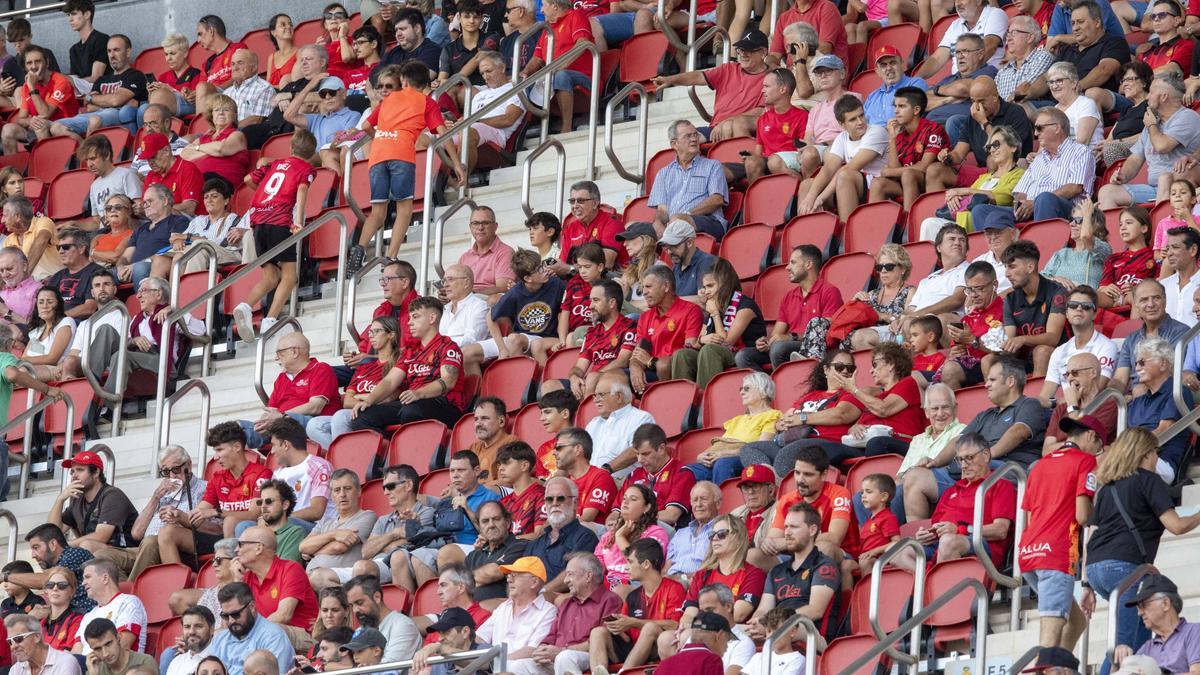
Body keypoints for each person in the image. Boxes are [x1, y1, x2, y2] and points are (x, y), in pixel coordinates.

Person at [1082, 428, 1200, 675]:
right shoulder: (1148, 480)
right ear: (1146, 453)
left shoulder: (1107, 488)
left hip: (1095, 570)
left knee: (1137, 643)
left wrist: (1085, 585)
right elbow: (1176, 526)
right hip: (1127, 569)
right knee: (1125, 646)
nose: (1157, 458)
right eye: (1156, 452)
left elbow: (1090, 537)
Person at [1020, 414, 1101, 650]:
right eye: (1098, 446)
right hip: (1057, 552)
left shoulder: (1040, 464)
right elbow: (1083, 515)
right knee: (1049, 640)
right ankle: (1047, 665)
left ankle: (1062, 666)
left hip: (1028, 552)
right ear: (1091, 436)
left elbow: (1029, 516)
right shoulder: (1086, 461)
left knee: (1076, 623)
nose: (1098, 453)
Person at [230, 130, 318, 338]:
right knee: (290, 275)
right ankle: (270, 320)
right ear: (312, 152)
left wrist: (266, 197)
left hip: (258, 222)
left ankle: (245, 305)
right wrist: (298, 221)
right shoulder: (307, 168)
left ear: (291, 147)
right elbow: (302, 190)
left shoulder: (274, 164)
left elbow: (248, 179)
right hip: (280, 222)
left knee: (271, 275)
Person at [739, 349, 865, 479]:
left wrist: (803, 418)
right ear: (826, 370)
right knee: (750, 449)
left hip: (828, 442)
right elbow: (785, 418)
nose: (845, 371)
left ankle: (777, 487)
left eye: (850, 368)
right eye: (839, 367)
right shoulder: (810, 396)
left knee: (788, 454)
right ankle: (771, 479)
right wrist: (780, 425)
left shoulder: (854, 394)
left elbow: (841, 414)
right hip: (794, 442)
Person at [791, 342, 926, 464]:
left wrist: (853, 389)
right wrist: (854, 429)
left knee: (876, 443)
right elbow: (854, 427)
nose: (871, 371)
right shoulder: (874, 395)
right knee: (822, 450)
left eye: (875, 364)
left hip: (898, 443)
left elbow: (883, 409)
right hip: (866, 445)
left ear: (891, 364)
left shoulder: (907, 383)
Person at [348, 296, 469, 431]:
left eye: (415, 317)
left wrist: (419, 393)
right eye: (410, 318)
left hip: (445, 404)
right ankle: (389, 448)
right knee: (361, 417)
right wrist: (369, 400)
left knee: (411, 411)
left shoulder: (448, 347)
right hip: (412, 403)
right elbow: (389, 382)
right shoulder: (409, 351)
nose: (409, 323)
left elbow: (448, 381)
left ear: (432, 318)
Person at [157, 422, 271, 561]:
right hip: (219, 537)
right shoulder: (217, 478)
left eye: (219, 450)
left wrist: (216, 512)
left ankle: (232, 571)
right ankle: (177, 582)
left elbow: (254, 514)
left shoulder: (261, 473)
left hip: (248, 534)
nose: (216, 457)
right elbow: (199, 514)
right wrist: (179, 515)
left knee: (230, 521)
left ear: (237, 447)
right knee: (166, 532)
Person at [395, 451, 500, 593]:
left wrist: (467, 509)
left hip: (476, 547)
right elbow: (436, 532)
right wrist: (416, 521)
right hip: (446, 544)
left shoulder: (490, 497)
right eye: (452, 471)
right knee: (411, 557)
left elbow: (493, 534)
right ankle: (425, 608)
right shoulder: (446, 501)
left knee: (446, 552)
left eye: (461, 470)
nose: (455, 475)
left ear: (476, 471)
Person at [1100, 75, 1200, 209]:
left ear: (1164, 97)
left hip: (1178, 187)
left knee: (1164, 179)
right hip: (1152, 189)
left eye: (1152, 92)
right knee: (1107, 192)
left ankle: (1164, 226)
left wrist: (1152, 125)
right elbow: (1135, 159)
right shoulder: (1152, 124)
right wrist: (1122, 175)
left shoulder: (1187, 117)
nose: (1147, 97)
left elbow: (1162, 146)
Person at [736, 245, 843, 370]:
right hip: (790, 345)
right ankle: (768, 388)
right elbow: (777, 334)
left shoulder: (829, 291)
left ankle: (786, 385)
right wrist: (766, 342)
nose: (787, 267)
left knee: (779, 348)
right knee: (743, 356)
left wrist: (791, 337)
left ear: (808, 265)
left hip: (816, 347)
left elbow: (827, 333)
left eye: (793, 262)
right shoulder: (788, 297)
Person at [652, 30, 769, 143]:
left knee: (732, 127)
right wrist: (670, 80)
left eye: (749, 50)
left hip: (741, 127)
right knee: (682, 139)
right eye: (741, 49)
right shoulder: (729, 69)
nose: (743, 54)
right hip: (715, 129)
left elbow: (761, 111)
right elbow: (698, 76)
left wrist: (728, 121)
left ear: (763, 52)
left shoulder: (771, 77)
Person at [234, 331, 339, 448]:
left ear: (294, 352)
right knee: (234, 431)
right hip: (280, 425)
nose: (275, 358)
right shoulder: (281, 378)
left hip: (311, 423)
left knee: (280, 423)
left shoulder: (320, 369)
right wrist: (264, 422)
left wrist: (282, 416)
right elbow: (271, 411)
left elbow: (315, 407)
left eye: (279, 353)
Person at [750, 502, 840, 639]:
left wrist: (773, 624)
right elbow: (763, 609)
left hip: (810, 635)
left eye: (794, 527)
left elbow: (815, 610)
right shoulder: (776, 571)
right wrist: (757, 623)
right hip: (775, 629)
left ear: (812, 530)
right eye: (786, 527)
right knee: (736, 634)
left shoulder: (824, 565)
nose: (787, 532)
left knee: (780, 632)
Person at [925, 79, 1033, 192]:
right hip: (983, 174)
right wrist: (948, 157)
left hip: (1011, 171)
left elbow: (1005, 149)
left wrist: (984, 122)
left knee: (992, 160)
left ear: (995, 97)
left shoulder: (1015, 113)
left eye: (981, 101)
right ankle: (941, 209)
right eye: (973, 101)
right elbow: (959, 154)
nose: (977, 107)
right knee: (934, 170)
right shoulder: (972, 118)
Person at [117, 445, 207, 580]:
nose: (171, 476)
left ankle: (132, 592)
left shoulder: (204, 488)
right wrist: (155, 497)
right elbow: (136, 534)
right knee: (103, 556)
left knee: (150, 542)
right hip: (143, 550)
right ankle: (126, 591)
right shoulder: (162, 494)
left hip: (169, 547)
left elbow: (207, 527)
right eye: (166, 472)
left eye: (176, 469)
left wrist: (179, 518)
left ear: (188, 465)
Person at [796, 94, 889, 222]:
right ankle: (807, 233)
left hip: (875, 186)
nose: (860, 122)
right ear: (842, 124)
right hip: (850, 185)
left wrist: (821, 198)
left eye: (861, 115)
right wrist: (810, 198)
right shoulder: (842, 137)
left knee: (845, 175)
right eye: (853, 119)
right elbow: (828, 169)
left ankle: (847, 231)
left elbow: (851, 167)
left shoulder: (877, 132)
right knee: (807, 185)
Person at [672, 259, 765, 387]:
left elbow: (726, 342)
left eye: (710, 286)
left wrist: (715, 314)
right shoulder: (714, 305)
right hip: (715, 353)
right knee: (682, 354)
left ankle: (706, 399)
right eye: (704, 287)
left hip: (741, 354)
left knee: (710, 350)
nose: (706, 291)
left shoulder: (746, 306)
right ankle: (684, 401)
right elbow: (697, 343)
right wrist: (704, 339)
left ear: (725, 284)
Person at [530, 553, 621, 675]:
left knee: (565, 657)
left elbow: (602, 640)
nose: (565, 580)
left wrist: (561, 650)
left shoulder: (610, 600)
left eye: (570, 574)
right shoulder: (566, 603)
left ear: (588, 576)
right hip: (557, 657)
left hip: (589, 656)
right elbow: (551, 636)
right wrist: (542, 649)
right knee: (519, 665)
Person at [542, 280, 635, 399]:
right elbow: (580, 366)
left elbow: (623, 361)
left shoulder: (629, 326)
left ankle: (585, 414)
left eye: (596, 300)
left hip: (616, 381)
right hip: (591, 381)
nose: (590, 306)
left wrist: (595, 376)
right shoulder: (591, 332)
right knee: (549, 386)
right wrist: (574, 377)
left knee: (591, 379)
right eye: (590, 301)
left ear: (612, 303)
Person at [683, 373, 780, 485]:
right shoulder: (737, 420)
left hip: (743, 459)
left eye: (746, 388)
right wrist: (701, 457)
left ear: (763, 392)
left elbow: (760, 448)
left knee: (723, 464)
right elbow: (723, 445)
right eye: (741, 389)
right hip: (720, 460)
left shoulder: (772, 415)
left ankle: (722, 501)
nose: (741, 392)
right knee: (687, 471)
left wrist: (724, 454)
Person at [238, 525, 318, 651]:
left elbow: (283, 616)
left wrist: (248, 635)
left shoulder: (290, 569)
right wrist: (235, 581)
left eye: (241, 544)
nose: (237, 550)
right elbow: (235, 617)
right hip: (263, 636)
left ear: (258, 547)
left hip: (303, 638)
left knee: (273, 631)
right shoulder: (247, 578)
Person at [50, 35, 146, 141]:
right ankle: (83, 149)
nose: (112, 55)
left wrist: (92, 99)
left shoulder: (135, 75)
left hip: (111, 116)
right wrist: (110, 103)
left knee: (94, 120)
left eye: (116, 50)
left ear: (128, 52)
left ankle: (88, 153)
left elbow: (115, 100)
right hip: (94, 114)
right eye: (109, 51)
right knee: (56, 127)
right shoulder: (101, 79)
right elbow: (90, 107)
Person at [646, 120, 729, 239]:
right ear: (674, 144)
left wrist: (686, 215)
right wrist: (658, 222)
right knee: (635, 229)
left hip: (709, 221)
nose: (694, 139)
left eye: (695, 134)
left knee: (677, 220)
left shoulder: (713, 166)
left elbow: (717, 200)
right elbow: (663, 210)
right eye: (688, 136)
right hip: (673, 225)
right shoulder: (663, 173)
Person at [475, 556, 557, 675]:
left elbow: (533, 650)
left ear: (534, 582)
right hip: (497, 667)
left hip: (525, 667)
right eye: (509, 576)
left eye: (515, 575)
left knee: (515, 666)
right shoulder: (503, 607)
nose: (509, 580)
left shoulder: (548, 611)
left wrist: (497, 663)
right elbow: (480, 638)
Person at [998, 239, 1068, 377]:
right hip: (1025, 359)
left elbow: (1053, 338)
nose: (1006, 273)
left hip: (1059, 356)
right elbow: (1010, 338)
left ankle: (1039, 398)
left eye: (1012, 267)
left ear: (1030, 267)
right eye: (1006, 267)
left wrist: (1023, 339)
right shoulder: (1010, 299)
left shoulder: (1057, 292)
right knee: (990, 361)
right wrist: (977, 342)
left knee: (1041, 351)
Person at [870, 88, 947, 212]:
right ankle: (875, 229)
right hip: (907, 183)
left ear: (916, 110)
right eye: (895, 106)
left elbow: (924, 167)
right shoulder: (899, 137)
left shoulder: (933, 129)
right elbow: (894, 171)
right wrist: (892, 139)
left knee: (908, 174)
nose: (896, 111)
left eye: (901, 106)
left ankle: (909, 224)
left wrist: (890, 172)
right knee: (878, 183)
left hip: (930, 181)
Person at [630, 265, 703, 395]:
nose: (644, 292)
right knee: (614, 379)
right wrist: (635, 367)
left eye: (649, 286)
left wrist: (652, 361)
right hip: (650, 368)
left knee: (663, 364)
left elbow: (689, 350)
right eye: (643, 287)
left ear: (666, 287)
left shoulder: (691, 311)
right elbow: (639, 353)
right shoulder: (645, 317)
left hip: (674, 369)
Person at [1128, 337, 1192, 483]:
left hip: (1160, 460)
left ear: (1163, 363)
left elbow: (1164, 430)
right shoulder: (1138, 402)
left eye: (1142, 362)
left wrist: (1127, 449)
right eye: (1136, 363)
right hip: (1133, 456)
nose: (1137, 368)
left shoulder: (1177, 392)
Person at [48, 450, 136, 556]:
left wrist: (65, 547)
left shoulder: (112, 495)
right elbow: (53, 532)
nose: (74, 475)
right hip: (102, 556)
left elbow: (101, 536)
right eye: (72, 472)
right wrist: (60, 500)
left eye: (80, 470)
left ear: (96, 473)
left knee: (87, 545)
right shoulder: (78, 499)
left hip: (126, 552)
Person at [302, 470, 379, 589]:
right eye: (337, 490)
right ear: (332, 496)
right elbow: (303, 546)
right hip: (311, 578)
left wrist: (313, 551)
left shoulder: (367, 516)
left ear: (358, 491)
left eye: (347, 488)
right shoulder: (325, 522)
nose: (342, 494)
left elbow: (339, 547)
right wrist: (334, 534)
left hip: (339, 581)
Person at [1041, 286, 1118, 404]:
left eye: (1086, 306)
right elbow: (1045, 396)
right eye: (1073, 305)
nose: (1079, 309)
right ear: (1066, 313)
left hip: (1090, 410)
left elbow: (1094, 391)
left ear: (1094, 314)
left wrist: (1056, 403)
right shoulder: (1059, 351)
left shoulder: (1107, 347)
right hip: (1061, 410)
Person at [1111, 279, 1189, 394]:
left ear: (1165, 301)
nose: (1151, 304)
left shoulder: (1181, 332)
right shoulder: (1131, 339)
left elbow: (1167, 374)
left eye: (1156, 298)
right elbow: (1120, 379)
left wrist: (1135, 396)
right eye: (1144, 300)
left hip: (1164, 398)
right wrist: (1112, 394)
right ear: (1136, 305)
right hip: (1134, 400)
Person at [0, 46, 78, 155]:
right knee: (8, 129)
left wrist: (32, 87)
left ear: (47, 62)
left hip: (63, 128)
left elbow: (45, 114)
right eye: (29, 63)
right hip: (39, 127)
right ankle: (12, 170)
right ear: (25, 67)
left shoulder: (60, 81)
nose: (34, 67)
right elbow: (20, 118)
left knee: (40, 125)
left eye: (38, 61)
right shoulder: (26, 86)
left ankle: (47, 165)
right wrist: (29, 121)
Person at [1115, 574, 1200, 674]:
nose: (1139, 612)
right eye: (1138, 608)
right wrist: (1119, 658)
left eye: (1143, 605)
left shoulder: (1194, 632)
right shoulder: (1147, 647)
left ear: (1165, 603)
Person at [526, 477, 600, 590]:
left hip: (563, 602)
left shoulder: (586, 537)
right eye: (549, 499)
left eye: (560, 498)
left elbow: (576, 574)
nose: (554, 504)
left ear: (575, 503)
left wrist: (541, 593)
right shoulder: (535, 544)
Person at [208, 583, 295, 675]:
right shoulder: (219, 639)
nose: (231, 621)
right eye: (225, 616)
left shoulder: (273, 637)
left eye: (236, 614)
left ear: (252, 607)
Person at [594, 483, 669, 589]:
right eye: (624, 498)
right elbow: (596, 568)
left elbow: (642, 565)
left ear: (647, 507)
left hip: (637, 585)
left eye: (633, 499)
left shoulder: (656, 533)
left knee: (619, 590)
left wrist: (620, 538)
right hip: (609, 585)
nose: (625, 501)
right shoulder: (608, 536)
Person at [1045, 352, 1121, 452]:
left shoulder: (1109, 405)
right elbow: (1046, 451)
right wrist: (1069, 446)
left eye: (1075, 373)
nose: (1070, 378)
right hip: (1058, 462)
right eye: (1067, 374)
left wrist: (1072, 406)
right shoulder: (1061, 408)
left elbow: (1087, 447)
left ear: (1093, 373)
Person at [915, 0, 1007, 82]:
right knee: (926, 95)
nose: (957, 3)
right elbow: (937, 58)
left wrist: (965, 75)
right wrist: (914, 80)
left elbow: (990, 46)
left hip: (985, 79)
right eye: (956, 0)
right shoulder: (955, 25)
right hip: (958, 79)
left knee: (945, 92)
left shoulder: (995, 14)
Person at [463, 501, 529, 609]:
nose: (491, 525)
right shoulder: (473, 556)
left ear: (507, 522)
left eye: (496, 519)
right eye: (485, 521)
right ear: (480, 527)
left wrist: (467, 580)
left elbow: (493, 573)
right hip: (469, 612)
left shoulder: (519, 546)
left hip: (498, 613)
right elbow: (459, 587)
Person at [343, 574, 421, 662]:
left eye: (359, 603)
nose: (355, 610)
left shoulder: (402, 625)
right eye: (351, 605)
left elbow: (388, 669)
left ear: (377, 597)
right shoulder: (360, 631)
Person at [17, 524, 93, 614]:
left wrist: (5, 576)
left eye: (36, 548)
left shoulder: (73, 554)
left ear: (53, 544)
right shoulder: (60, 562)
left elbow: (43, 580)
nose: (33, 555)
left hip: (91, 616)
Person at [75, 558, 147, 653]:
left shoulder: (128, 602)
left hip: (119, 666)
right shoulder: (88, 616)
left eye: (87, 577)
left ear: (105, 578)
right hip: (87, 666)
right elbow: (75, 653)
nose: (83, 583)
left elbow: (122, 646)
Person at [1043, 200, 1113, 291]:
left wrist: (1087, 214)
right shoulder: (1061, 254)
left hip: (1084, 303)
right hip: (1058, 302)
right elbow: (1039, 280)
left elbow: (1086, 236)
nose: (1071, 224)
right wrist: (1055, 279)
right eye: (1071, 220)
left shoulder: (1103, 249)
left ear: (1094, 225)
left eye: (1078, 220)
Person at [456, 206, 516, 302]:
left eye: (486, 223)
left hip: (489, 301)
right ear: (470, 227)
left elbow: (503, 287)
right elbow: (457, 285)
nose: (480, 228)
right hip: (466, 299)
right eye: (475, 223)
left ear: (495, 226)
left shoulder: (505, 252)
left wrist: (472, 293)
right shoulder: (465, 257)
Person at [138, 133, 204, 217]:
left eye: (153, 156)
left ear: (166, 151)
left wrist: (157, 210)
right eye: (147, 159)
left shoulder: (187, 169)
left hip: (189, 223)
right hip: (160, 222)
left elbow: (189, 208)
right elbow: (145, 207)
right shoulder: (151, 175)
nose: (150, 162)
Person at [864, 45, 928, 126]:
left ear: (902, 64)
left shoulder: (915, 84)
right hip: (868, 135)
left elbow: (910, 115)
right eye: (883, 65)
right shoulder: (872, 96)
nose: (889, 68)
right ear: (877, 71)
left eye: (893, 62)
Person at [995, 16, 1055, 103]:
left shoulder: (1042, 57)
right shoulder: (1003, 71)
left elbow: (1026, 88)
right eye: (1008, 33)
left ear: (1030, 38)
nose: (1008, 38)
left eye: (1014, 32)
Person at [143, 33, 201, 121]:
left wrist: (169, 89)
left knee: (158, 97)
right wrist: (150, 93)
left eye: (172, 54)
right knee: (142, 109)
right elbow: (154, 102)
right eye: (166, 54)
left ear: (185, 53)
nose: (168, 58)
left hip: (188, 110)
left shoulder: (196, 74)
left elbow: (194, 102)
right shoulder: (163, 77)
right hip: (165, 112)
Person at [3, 196, 60, 281]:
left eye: (5, 216)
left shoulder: (43, 222)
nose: (2, 220)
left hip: (54, 282)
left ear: (17, 216)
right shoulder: (8, 240)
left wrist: (24, 277)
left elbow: (41, 242)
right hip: (26, 288)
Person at [6, 612, 80, 675]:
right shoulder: (16, 669)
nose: (13, 647)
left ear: (37, 637)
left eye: (18, 639)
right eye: (10, 642)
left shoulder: (65, 663)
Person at [439, 264, 490, 349]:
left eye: (450, 280)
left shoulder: (479, 306)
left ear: (466, 283)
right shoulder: (445, 308)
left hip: (462, 357)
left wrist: (441, 344)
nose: (445, 285)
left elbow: (472, 340)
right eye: (444, 281)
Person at [82, 618, 156, 675]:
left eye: (108, 644)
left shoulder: (144, 661)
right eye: (98, 649)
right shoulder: (95, 669)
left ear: (118, 638)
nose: (105, 654)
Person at [382, 8, 443, 73]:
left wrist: (388, 76)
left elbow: (419, 79)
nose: (398, 34)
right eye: (396, 30)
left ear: (417, 28)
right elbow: (373, 76)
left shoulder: (433, 51)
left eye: (403, 29)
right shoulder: (394, 52)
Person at [1162, 226, 1200, 325]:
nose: (1169, 253)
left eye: (1175, 247)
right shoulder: (1162, 286)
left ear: (1193, 250)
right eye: (1168, 248)